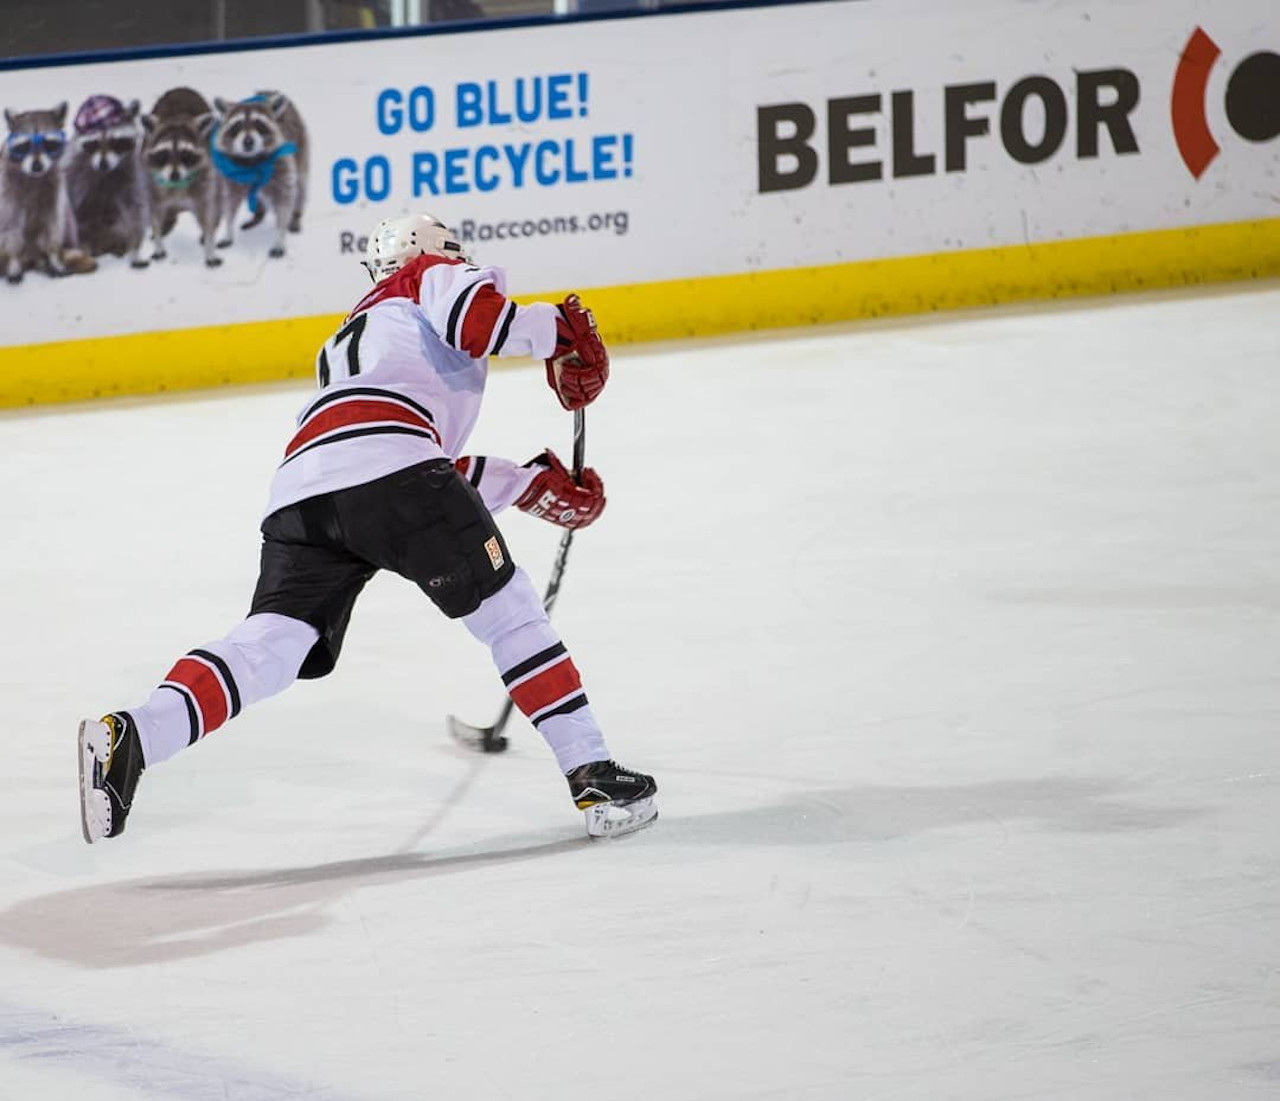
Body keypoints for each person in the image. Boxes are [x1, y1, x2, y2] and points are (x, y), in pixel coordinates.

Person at [78, 212, 657, 844]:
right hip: (395, 473)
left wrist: (529, 485)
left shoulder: (361, 328)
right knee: (510, 614)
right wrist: (563, 331)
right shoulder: (431, 274)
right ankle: (593, 773)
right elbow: (476, 329)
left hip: (304, 493)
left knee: (273, 642)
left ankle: (133, 734)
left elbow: (423, 466)